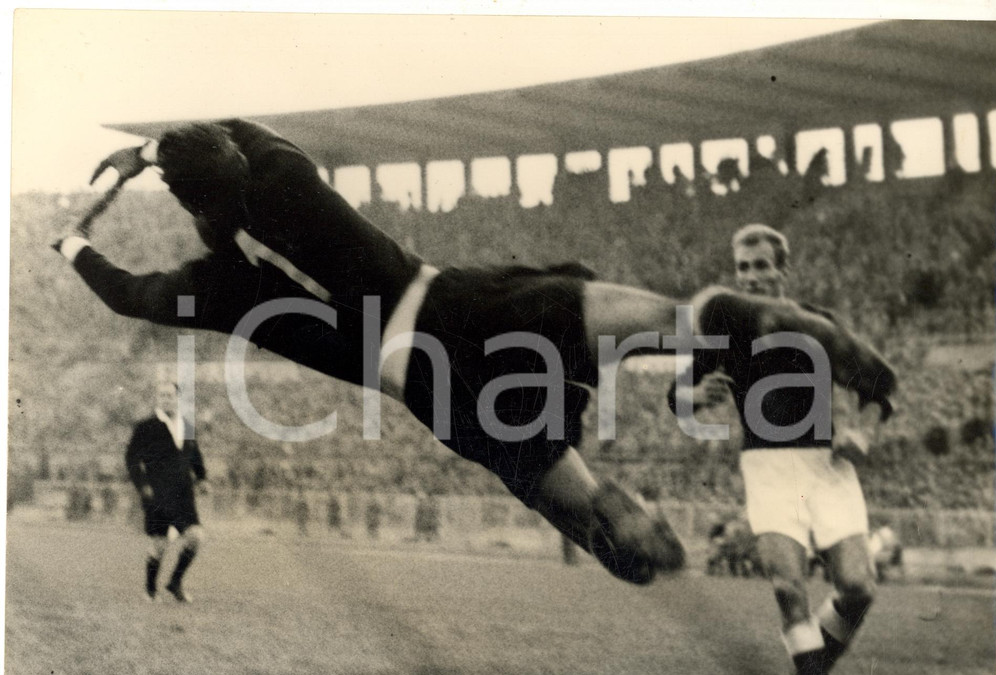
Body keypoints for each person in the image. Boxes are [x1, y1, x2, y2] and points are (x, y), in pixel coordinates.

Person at [52, 119, 894, 588]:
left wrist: (73, 246)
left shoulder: (220, 288)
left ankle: (615, 527)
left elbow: (129, 293)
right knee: (673, 321)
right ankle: (758, 322)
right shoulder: (280, 173)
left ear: (189, 203)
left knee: (560, 489)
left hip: (427, 380)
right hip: (465, 302)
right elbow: (235, 129)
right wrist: (150, 150)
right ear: (230, 162)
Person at [668, 224, 893, 675]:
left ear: (783, 270)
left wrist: (863, 432)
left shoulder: (817, 323)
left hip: (826, 465)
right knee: (788, 587)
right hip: (766, 466)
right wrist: (696, 395)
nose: (752, 277)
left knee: (858, 587)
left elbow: (878, 391)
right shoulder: (727, 331)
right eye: (743, 268)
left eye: (762, 266)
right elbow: (675, 396)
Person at [125, 380, 206, 603]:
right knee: (159, 545)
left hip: (183, 495)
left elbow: (194, 454)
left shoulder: (186, 425)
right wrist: (142, 485)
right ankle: (150, 590)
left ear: (177, 398)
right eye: (162, 395)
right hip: (157, 495)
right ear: (157, 399)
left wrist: (201, 478)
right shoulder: (145, 427)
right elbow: (131, 459)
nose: (166, 399)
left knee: (196, 537)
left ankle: (175, 583)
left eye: (170, 395)